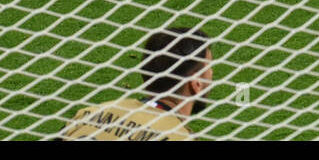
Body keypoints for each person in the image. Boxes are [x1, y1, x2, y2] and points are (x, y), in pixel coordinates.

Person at [60, 27, 212, 140]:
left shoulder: (90, 113)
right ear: (196, 83)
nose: (212, 74)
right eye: (209, 68)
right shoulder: (179, 137)